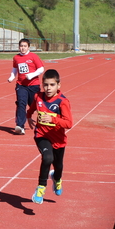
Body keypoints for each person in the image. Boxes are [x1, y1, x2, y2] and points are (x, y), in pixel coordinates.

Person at [28, 69, 73, 204]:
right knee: (47, 158)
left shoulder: (62, 101)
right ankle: (41, 188)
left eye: (52, 85)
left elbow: (69, 123)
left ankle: (57, 179)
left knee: (58, 166)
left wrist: (53, 120)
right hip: (42, 135)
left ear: (58, 85)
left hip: (58, 140)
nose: (48, 88)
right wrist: (28, 116)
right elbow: (31, 109)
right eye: (46, 85)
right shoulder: (38, 97)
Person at [8, 38, 45, 135]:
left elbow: (41, 69)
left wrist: (32, 75)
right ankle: (20, 126)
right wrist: (12, 76)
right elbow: (15, 69)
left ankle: (45, 124)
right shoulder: (16, 58)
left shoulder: (33, 56)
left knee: (35, 105)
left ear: (28, 47)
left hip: (33, 85)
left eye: (25, 46)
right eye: (21, 46)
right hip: (21, 85)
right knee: (21, 103)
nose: (22, 48)